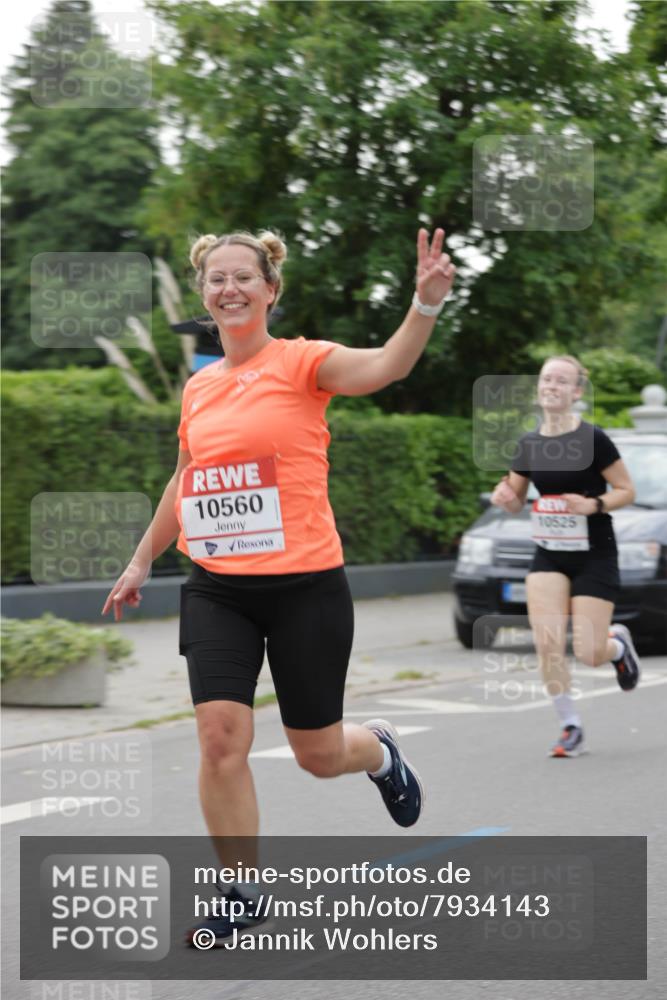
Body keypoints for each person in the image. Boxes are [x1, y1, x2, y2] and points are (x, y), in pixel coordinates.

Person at [102, 226, 456, 944]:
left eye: (243, 277)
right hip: (218, 587)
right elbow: (186, 479)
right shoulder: (200, 386)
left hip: (305, 589)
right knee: (219, 738)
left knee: (318, 756)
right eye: (216, 279)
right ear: (204, 295)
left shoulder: (303, 362)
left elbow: (386, 366)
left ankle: (379, 750)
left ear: (269, 289)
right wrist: (141, 560)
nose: (228, 288)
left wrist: (424, 305)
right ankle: (241, 891)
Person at [490, 355, 640, 758]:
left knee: (589, 653)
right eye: (547, 379)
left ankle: (617, 647)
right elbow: (514, 500)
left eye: (561, 380)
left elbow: (627, 490)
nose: (552, 386)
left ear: (576, 392)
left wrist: (593, 505)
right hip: (549, 554)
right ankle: (570, 725)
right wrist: (504, 497)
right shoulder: (529, 443)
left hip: (594, 553)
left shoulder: (593, 439)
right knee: (548, 642)